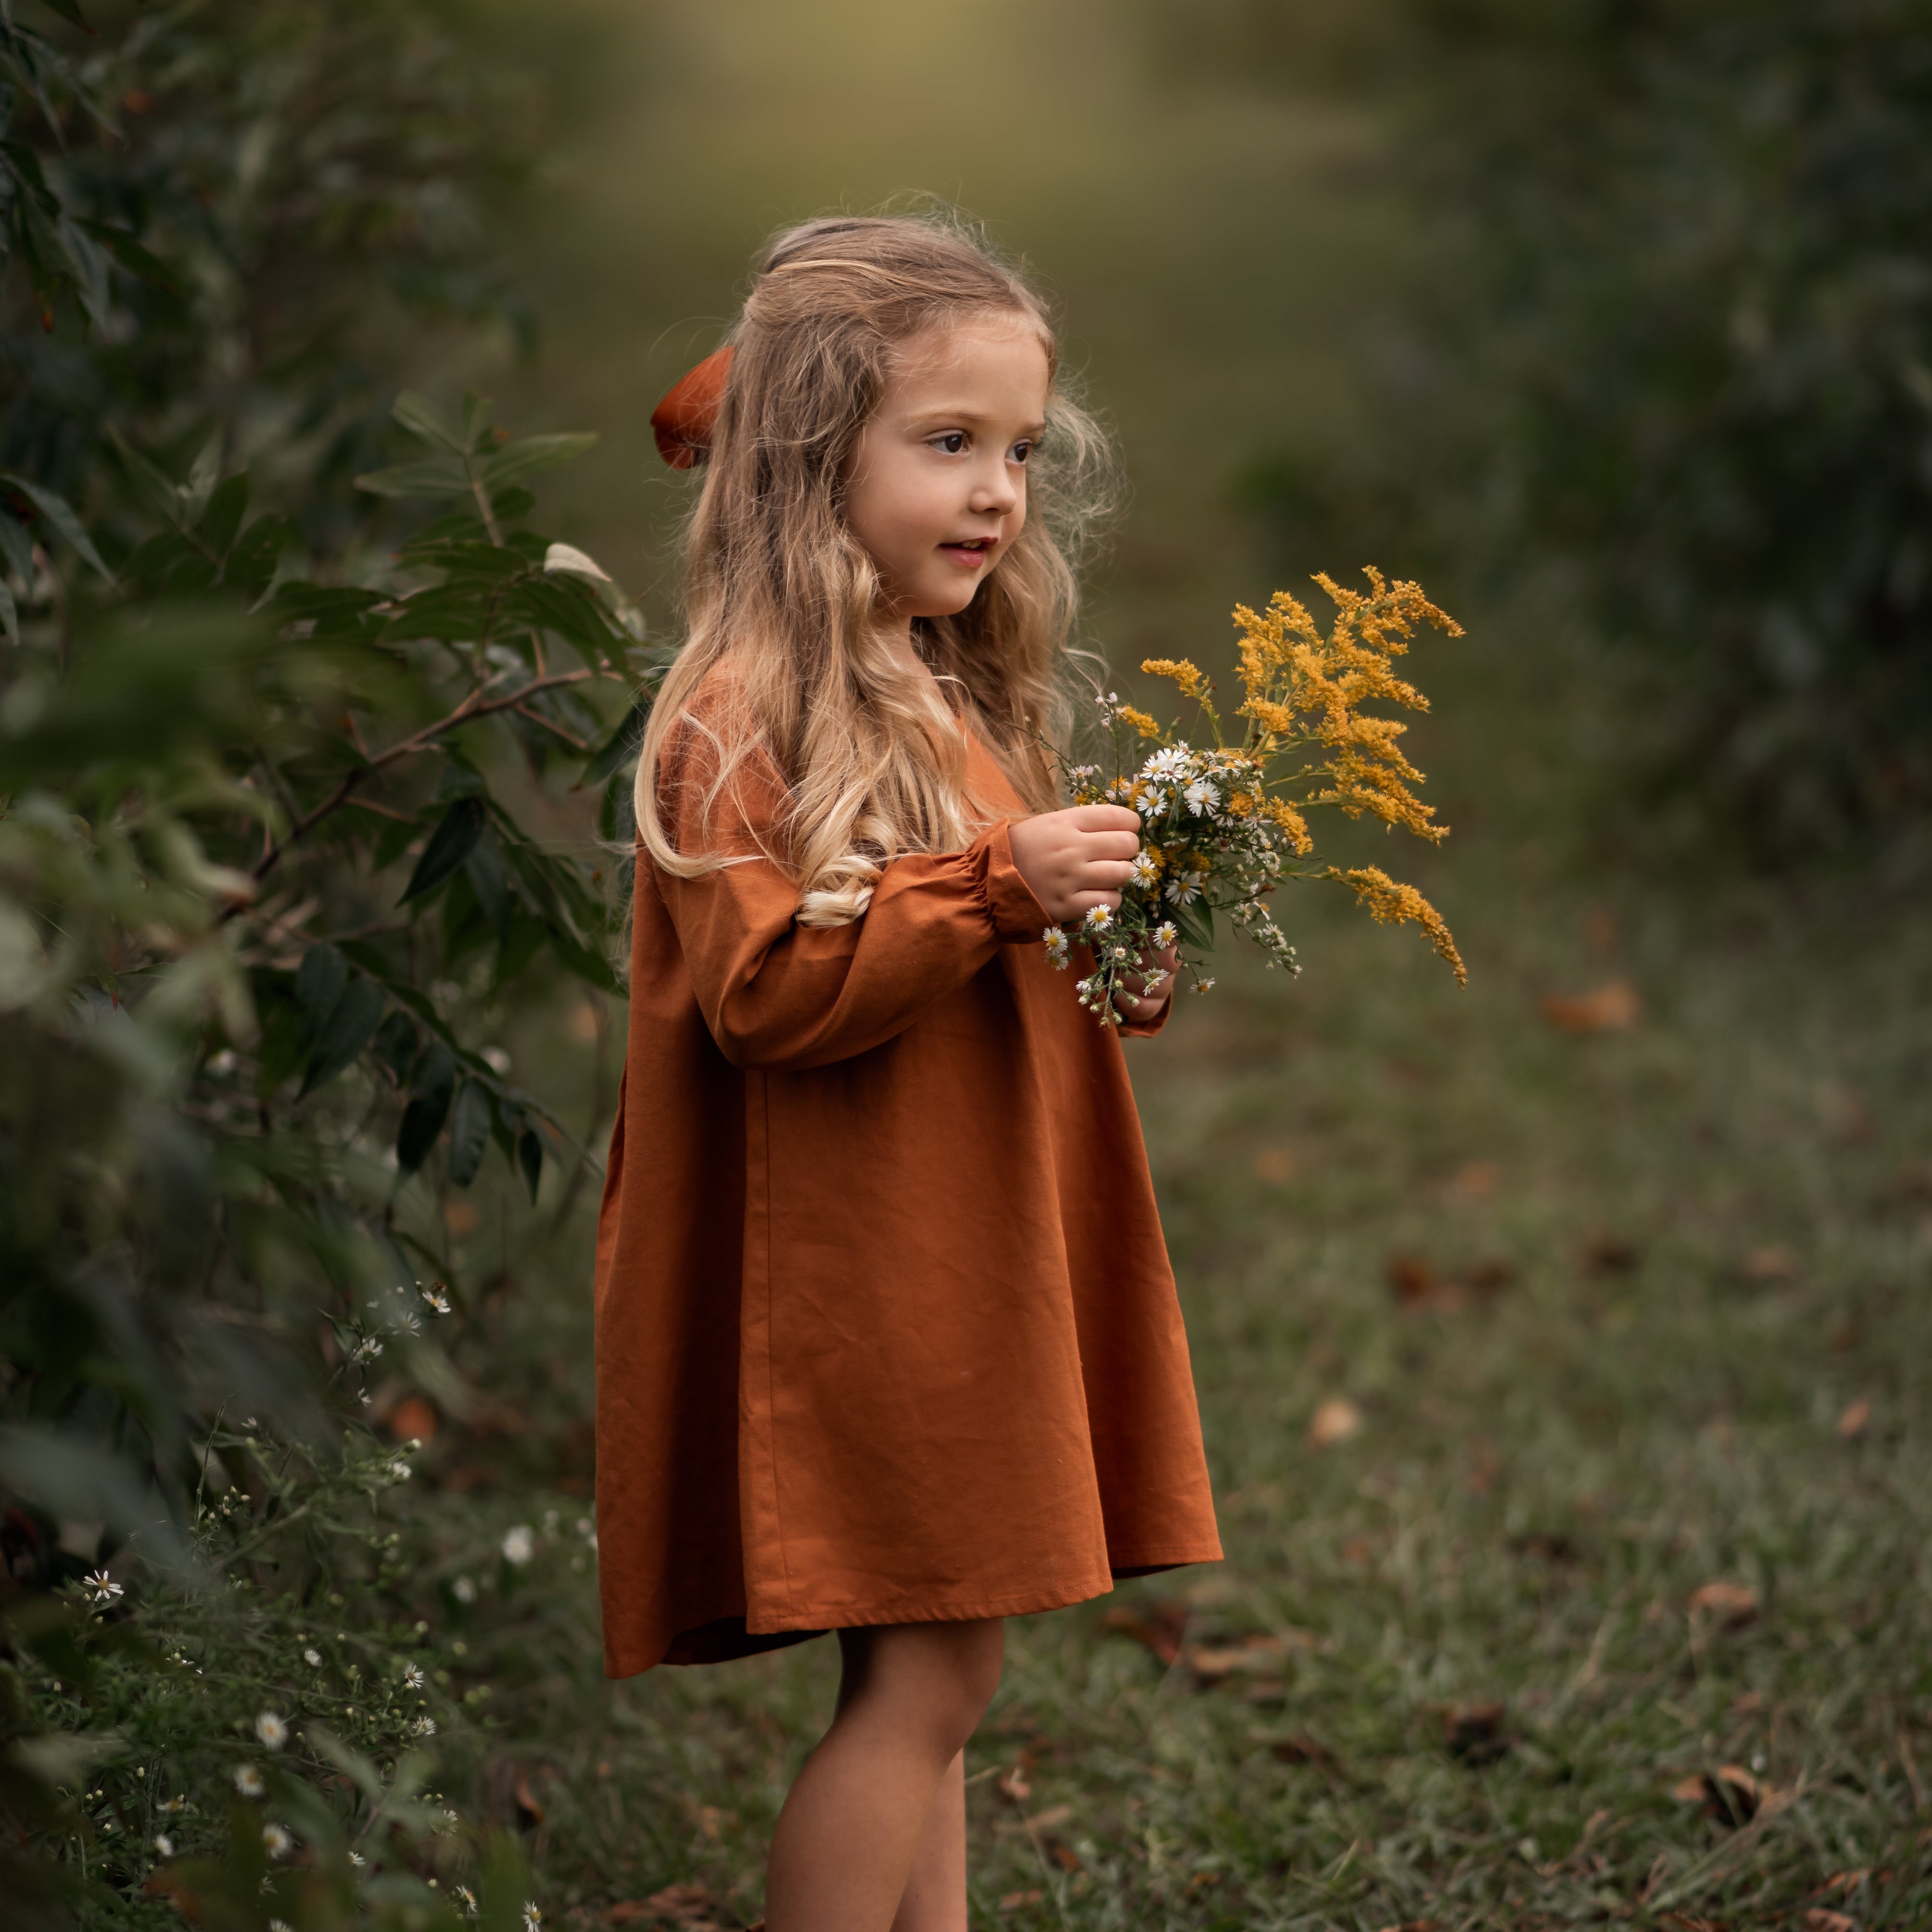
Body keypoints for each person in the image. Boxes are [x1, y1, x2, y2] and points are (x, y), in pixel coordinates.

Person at [595, 210, 1221, 1932]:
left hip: (956, 1248)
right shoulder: (744, 712)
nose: (999, 490)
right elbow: (770, 998)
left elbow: (985, 950)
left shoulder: (939, 682)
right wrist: (1001, 883)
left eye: (1017, 449)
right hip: (864, 1276)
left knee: (939, 1690)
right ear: (807, 455)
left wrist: (1106, 938)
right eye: (947, 444)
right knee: (933, 1691)